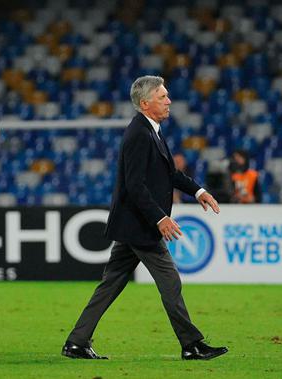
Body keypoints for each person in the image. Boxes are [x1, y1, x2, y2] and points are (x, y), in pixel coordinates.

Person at [61, 75, 228, 361]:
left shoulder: (151, 130)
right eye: (163, 97)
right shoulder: (139, 134)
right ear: (145, 103)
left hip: (132, 225)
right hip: (139, 225)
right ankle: (191, 344)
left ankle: (76, 342)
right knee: (170, 281)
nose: (169, 101)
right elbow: (134, 185)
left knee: (110, 284)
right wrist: (160, 219)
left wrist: (198, 191)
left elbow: (169, 174)